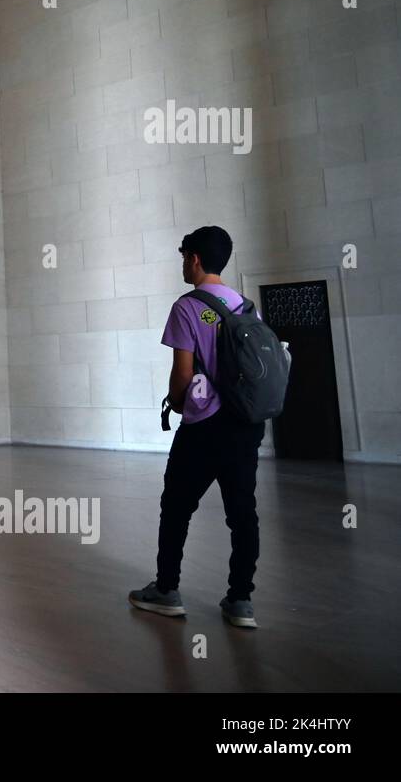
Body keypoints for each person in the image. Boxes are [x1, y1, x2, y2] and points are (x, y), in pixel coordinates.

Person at [128, 225, 266, 629]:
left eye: (183, 256)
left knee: (176, 507)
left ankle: (167, 590)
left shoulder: (189, 307)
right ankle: (240, 601)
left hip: (205, 427)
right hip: (245, 424)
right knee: (242, 513)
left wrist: (175, 402)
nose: (183, 264)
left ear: (195, 259)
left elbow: (182, 376)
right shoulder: (246, 306)